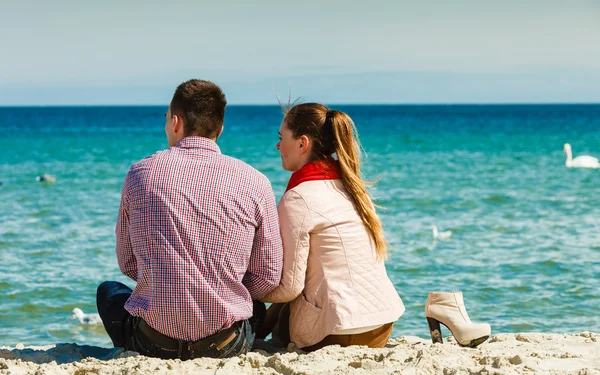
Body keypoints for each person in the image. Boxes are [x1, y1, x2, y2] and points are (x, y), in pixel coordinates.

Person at [96, 79, 283, 360]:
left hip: (154, 343)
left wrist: (167, 279)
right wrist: (221, 285)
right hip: (224, 345)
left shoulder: (140, 174)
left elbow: (128, 263)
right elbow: (267, 276)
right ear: (219, 129)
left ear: (175, 122)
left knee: (108, 292)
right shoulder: (255, 181)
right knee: (252, 304)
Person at [257, 102, 405, 351]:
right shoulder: (354, 187)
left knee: (282, 309)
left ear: (303, 144)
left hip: (340, 332)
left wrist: (246, 290)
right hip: (381, 323)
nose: (278, 146)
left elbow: (289, 288)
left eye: (282, 138)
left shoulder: (299, 198)